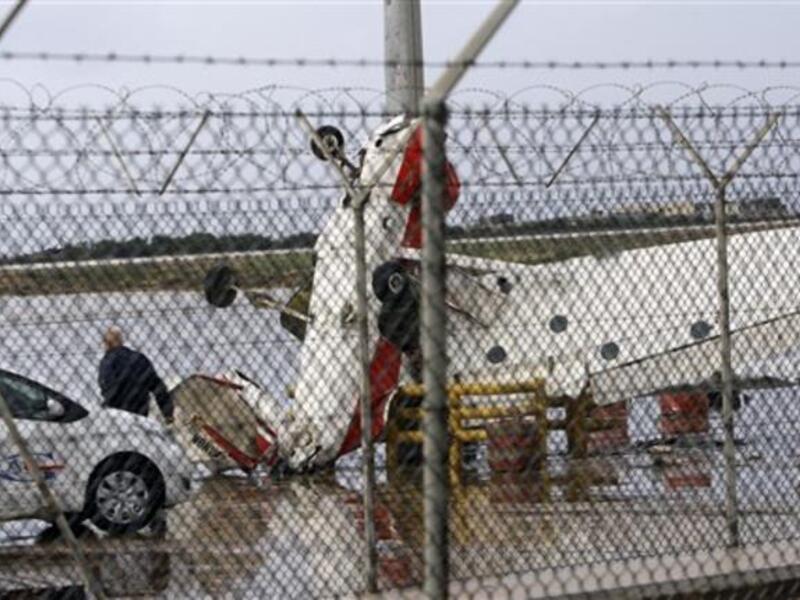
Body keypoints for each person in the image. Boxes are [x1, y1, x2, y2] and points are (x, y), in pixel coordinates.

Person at [98, 326, 174, 423]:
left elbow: (106, 385)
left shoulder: (107, 362)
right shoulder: (139, 358)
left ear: (106, 344)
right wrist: (167, 412)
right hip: (140, 409)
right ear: (121, 340)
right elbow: (157, 386)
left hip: (119, 412)